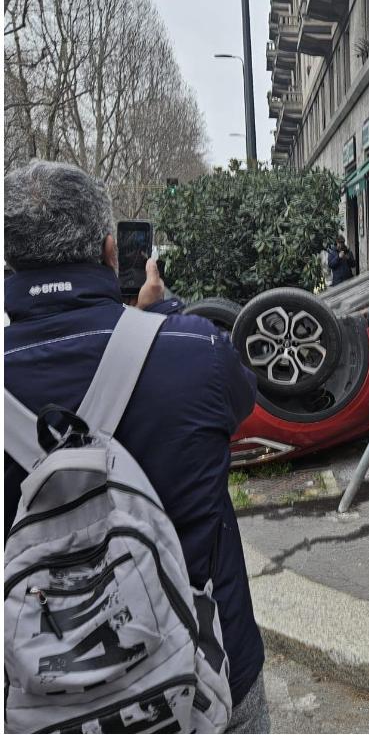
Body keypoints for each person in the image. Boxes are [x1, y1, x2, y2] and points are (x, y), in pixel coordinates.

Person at [3, 161, 269, 733]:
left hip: (47, 698)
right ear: (109, 250)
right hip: (208, 674)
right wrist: (156, 318)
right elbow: (243, 406)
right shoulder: (194, 350)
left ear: (10, 262)